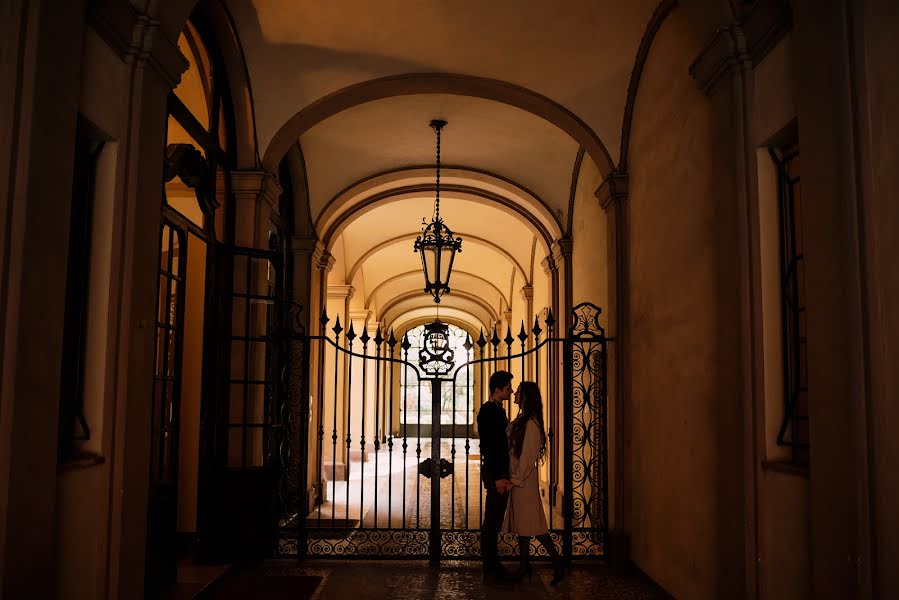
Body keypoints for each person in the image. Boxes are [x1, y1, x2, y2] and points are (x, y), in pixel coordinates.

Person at [501, 381, 565, 585]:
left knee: (534, 526)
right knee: (525, 525)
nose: (515, 394)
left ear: (526, 396)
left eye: (519, 391)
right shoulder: (522, 419)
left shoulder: (532, 423)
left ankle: (557, 564)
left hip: (524, 482)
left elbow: (528, 456)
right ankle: (524, 566)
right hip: (520, 480)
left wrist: (515, 479)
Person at [477, 370, 514, 580]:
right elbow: (492, 446)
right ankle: (490, 568)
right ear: (498, 389)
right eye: (508, 387)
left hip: (496, 470)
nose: (511, 391)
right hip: (495, 472)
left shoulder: (496, 409)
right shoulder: (490, 411)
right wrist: (500, 475)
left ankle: (492, 565)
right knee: (492, 520)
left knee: (494, 519)